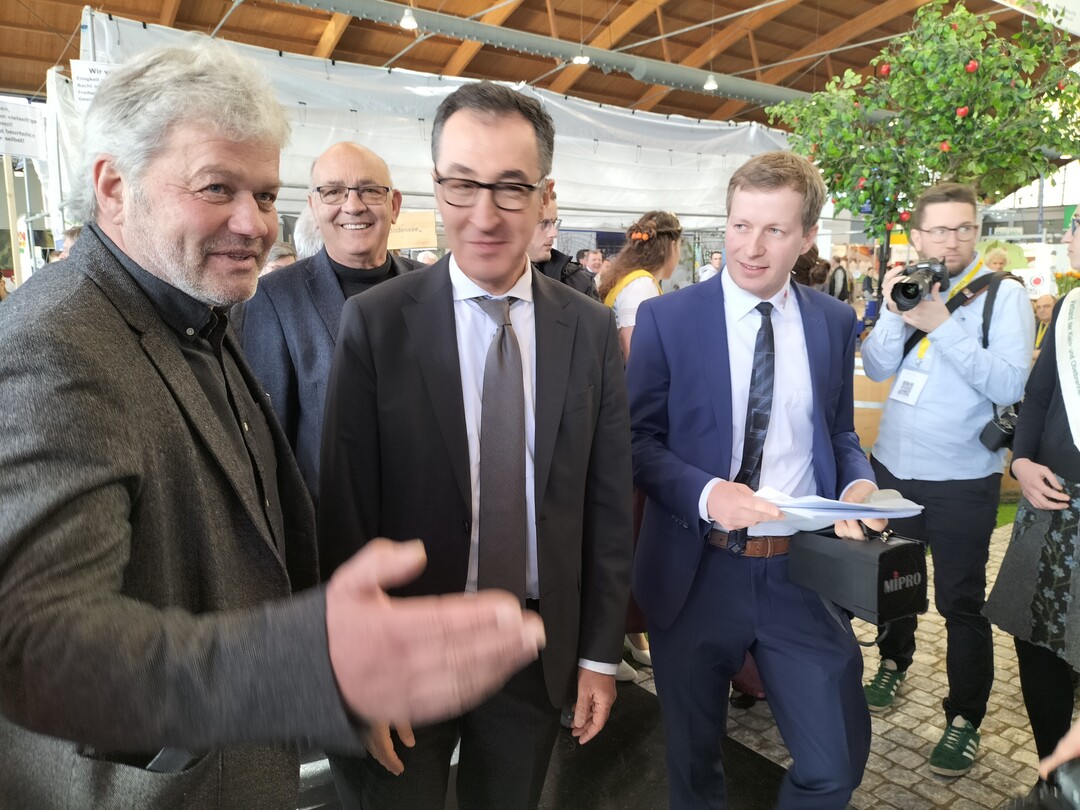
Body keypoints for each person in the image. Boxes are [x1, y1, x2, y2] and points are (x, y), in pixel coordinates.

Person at [0, 41, 546, 810]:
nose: (254, 223)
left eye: (264, 194)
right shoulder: (53, 344)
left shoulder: (200, 318)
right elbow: (31, 646)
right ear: (114, 186)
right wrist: (316, 661)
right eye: (217, 188)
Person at [318, 81, 633, 810]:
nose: (484, 216)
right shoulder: (376, 324)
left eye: (511, 188)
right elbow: (345, 513)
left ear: (545, 195)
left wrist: (596, 656)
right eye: (462, 186)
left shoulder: (587, 331)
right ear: (435, 188)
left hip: (531, 647)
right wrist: (359, 672)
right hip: (406, 647)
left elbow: (607, 504)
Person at [627, 151, 883, 809]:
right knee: (693, 766)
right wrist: (708, 493)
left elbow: (840, 434)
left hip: (799, 574)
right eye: (740, 225)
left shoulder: (830, 322)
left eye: (774, 230)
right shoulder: (669, 318)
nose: (752, 246)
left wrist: (856, 486)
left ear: (805, 238)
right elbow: (636, 442)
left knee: (834, 764)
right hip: (695, 572)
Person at [860, 182, 1034, 777]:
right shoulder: (912, 288)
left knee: (960, 602)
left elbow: (1010, 385)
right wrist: (894, 308)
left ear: (978, 232)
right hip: (894, 469)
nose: (952, 240)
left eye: (964, 228)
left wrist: (942, 324)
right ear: (916, 236)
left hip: (963, 478)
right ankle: (893, 660)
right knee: (896, 583)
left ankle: (964, 718)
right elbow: (881, 368)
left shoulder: (1002, 297)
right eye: (938, 230)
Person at [238, 142, 420, 503]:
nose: (353, 205)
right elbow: (269, 446)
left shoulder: (431, 289)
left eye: (370, 190)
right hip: (329, 539)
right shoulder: (273, 299)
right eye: (333, 192)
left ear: (394, 205)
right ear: (314, 206)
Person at [985, 212, 1080, 762]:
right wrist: (1020, 461)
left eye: (1075, 226)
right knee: (1036, 641)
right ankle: (1053, 775)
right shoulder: (1070, 311)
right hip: (1050, 505)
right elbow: (1038, 396)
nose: (1067, 237)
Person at [599, 210, 683, 676]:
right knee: (632, 530)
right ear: (668, 247)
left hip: (620, 418)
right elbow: (640, 360)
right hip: (634, 425)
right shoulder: (643, 288)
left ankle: (630, 634)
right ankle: (623, 633)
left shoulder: (622, 276)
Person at [525, 187, 600, 300]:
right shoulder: (491, 280)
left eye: (554, 223)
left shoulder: (578, 283)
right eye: (545, 223)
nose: (554, 233)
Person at [1034, 293, 1056, 361]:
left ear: (1056, 307)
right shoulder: (1032, 328)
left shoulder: (1060, 328)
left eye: (1046, 306)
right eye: (1038, 307)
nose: (1041, 310)